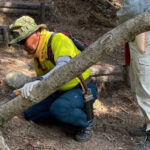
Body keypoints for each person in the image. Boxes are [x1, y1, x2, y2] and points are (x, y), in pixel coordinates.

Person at [9, 16, 98, 142]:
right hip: (59, 90)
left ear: (37, 32)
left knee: (59, 108)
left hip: (81, 88)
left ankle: (87, 120)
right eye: (19, 43)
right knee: (30, 113)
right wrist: (21, 91)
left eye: (23, 41)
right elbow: (46, 78)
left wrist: (39, 81)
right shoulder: (38, 54)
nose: (22, 46)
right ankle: (64, 115)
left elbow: (64, 65)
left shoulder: (58, 39)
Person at [117, 0, 150, 149]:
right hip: (140, 34)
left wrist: (120, 20)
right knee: (140, 83)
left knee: (145, 86)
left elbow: (132, 9)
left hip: (144, 35)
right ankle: (147, 124)